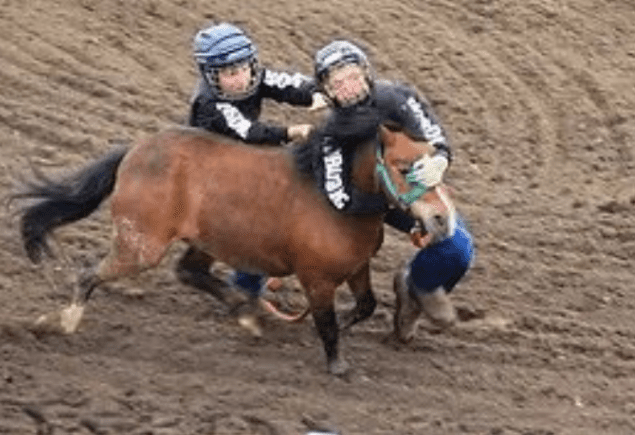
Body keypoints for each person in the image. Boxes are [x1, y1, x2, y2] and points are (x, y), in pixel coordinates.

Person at [312, 39, 475, 342]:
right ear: (328, 91)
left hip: (409, 184)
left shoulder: (396, 99)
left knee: (457, 246)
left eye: (353, 77)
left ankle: (416, 287)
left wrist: (440, 160)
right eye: (338, 83)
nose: (348, 88)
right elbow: (337, 195)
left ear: (366, 74)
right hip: (364, 204)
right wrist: (394, 201)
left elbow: (433, 136)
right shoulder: (331, 135)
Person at [184, 21, 324, 301]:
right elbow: (249, 131)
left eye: (244, 68)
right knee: (259, 222)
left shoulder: (252, 77)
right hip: (212, 169)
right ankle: (246, 286)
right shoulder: (209, 104)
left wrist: (316, 92)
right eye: (229, 73)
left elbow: (286, 84)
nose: (240, 78)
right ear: (211, 75)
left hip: (242, 157)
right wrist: (290, 132)